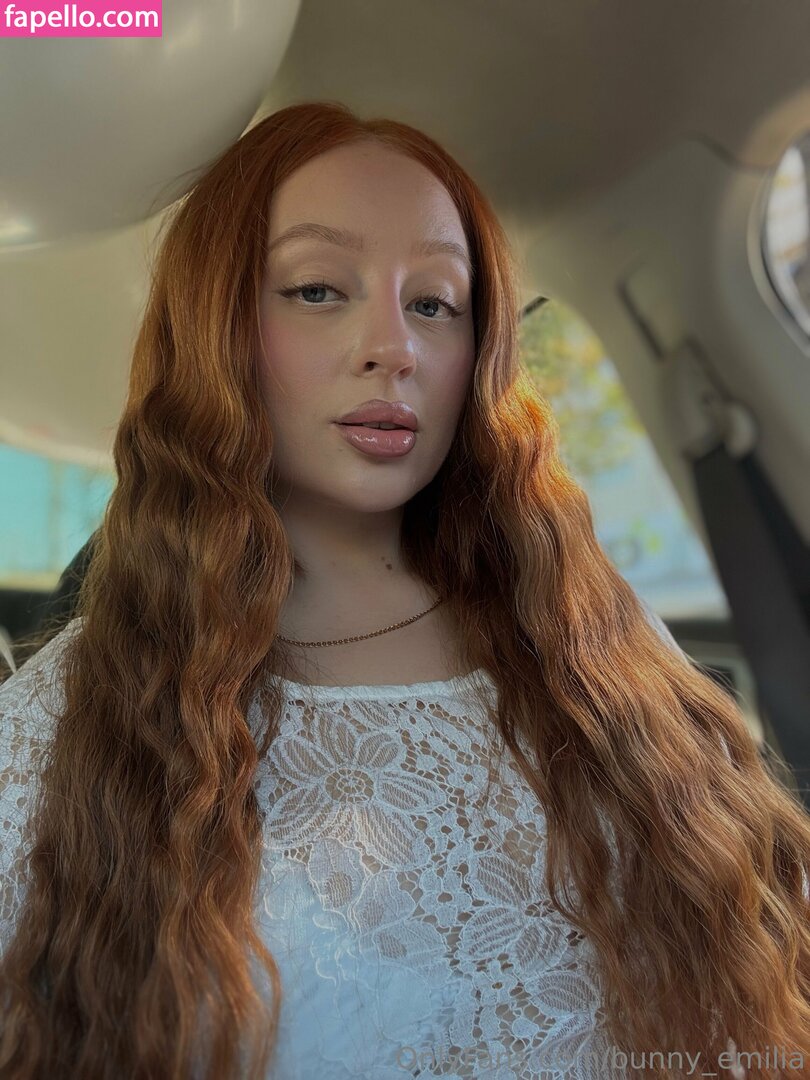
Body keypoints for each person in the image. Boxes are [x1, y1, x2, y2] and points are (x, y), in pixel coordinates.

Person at [0, 101, 808, 1080]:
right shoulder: (68, 719)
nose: (396, 346)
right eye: (316, 289)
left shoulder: (603, 640)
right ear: (216, 329)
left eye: (434, 303)